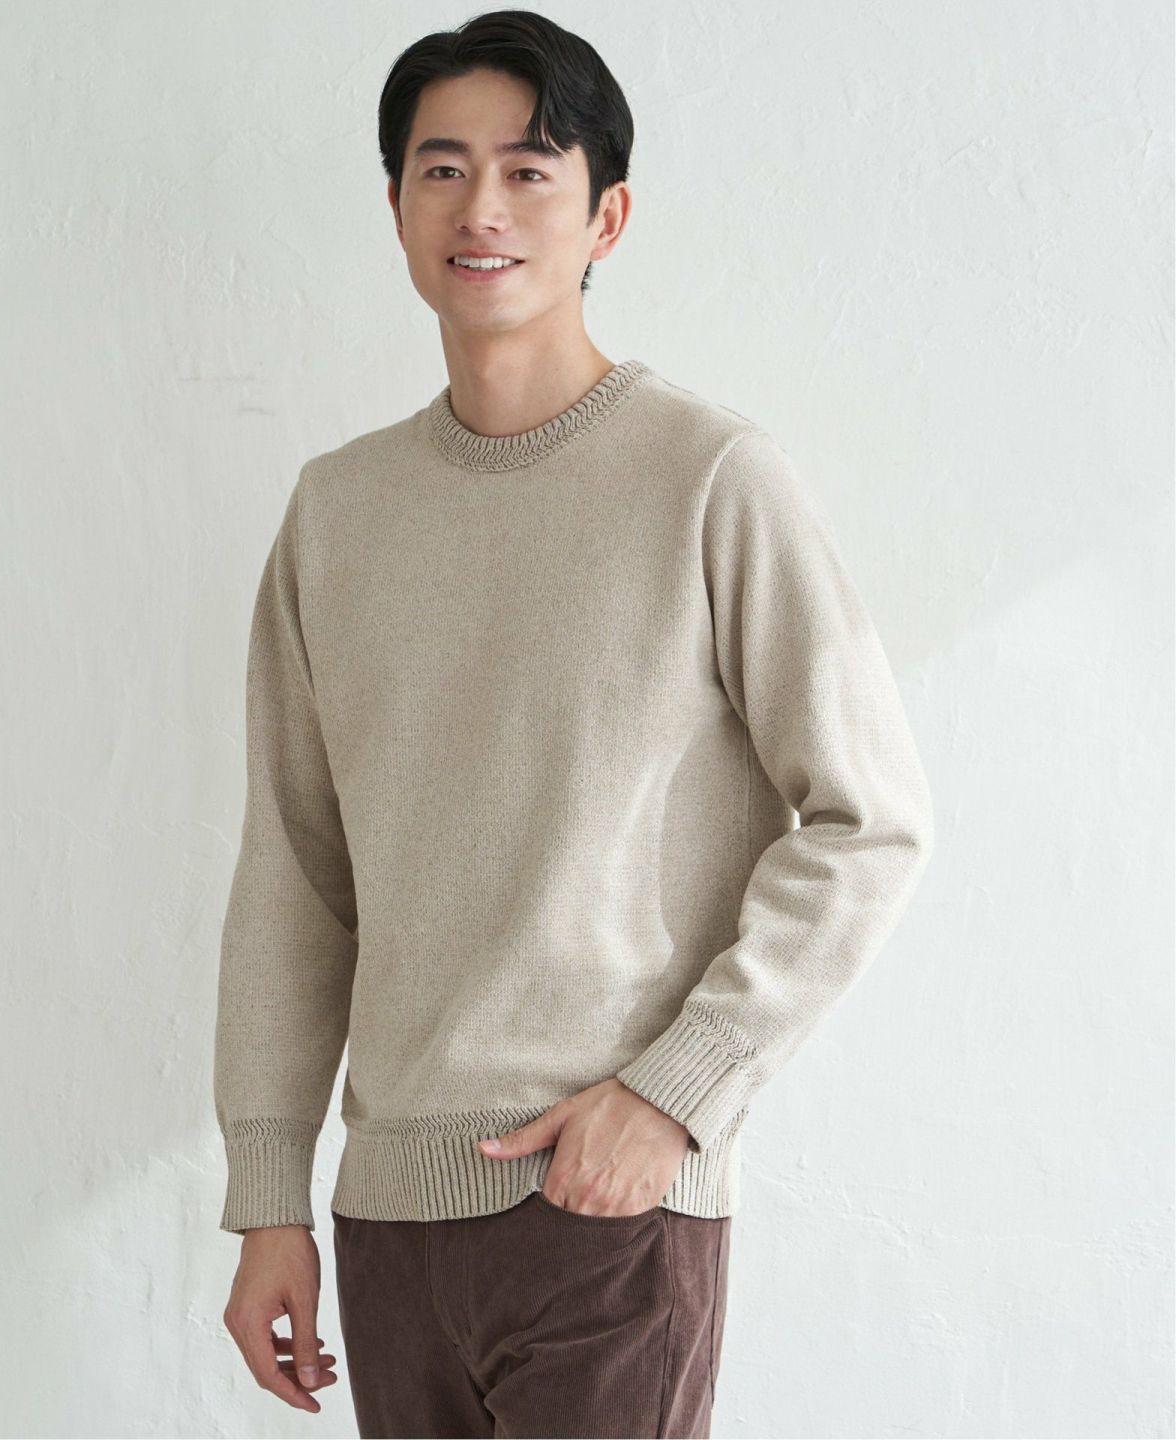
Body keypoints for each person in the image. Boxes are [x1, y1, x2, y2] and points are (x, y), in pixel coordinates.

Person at [213, 9, 935, 1438]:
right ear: (397, 206)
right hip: (388, 1224)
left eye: (529, 170)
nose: (480, 208)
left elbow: (872, 820)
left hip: (607, 1211)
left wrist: (674, 1094)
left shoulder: (710, 477)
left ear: (607, 215)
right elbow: (297, 875)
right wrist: (267, 1198)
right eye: (441, 169)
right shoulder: (337, 514)